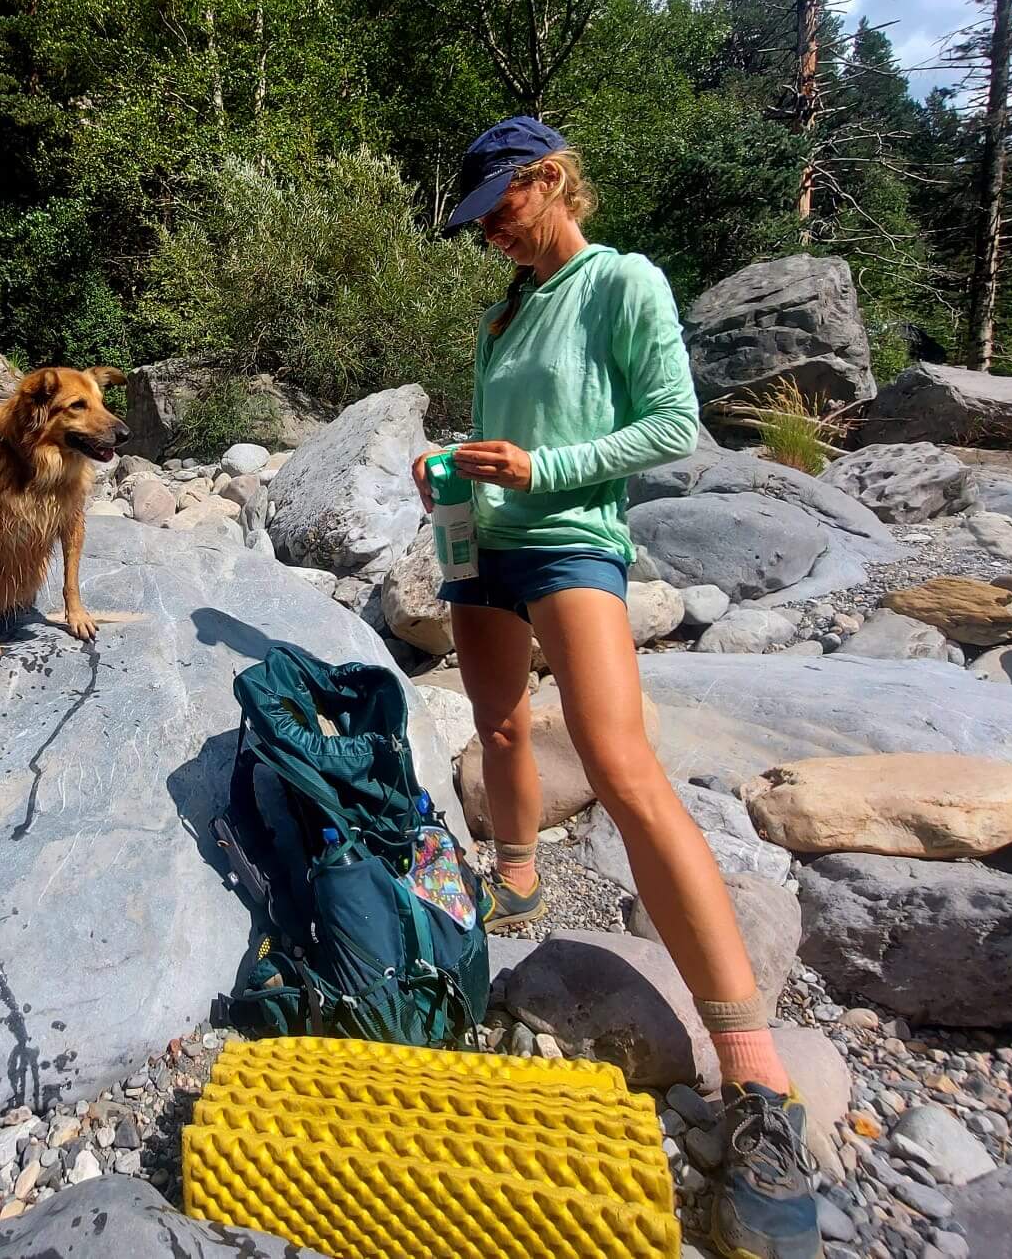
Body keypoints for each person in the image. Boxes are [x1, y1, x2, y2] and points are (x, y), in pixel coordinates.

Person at [412, 116, 821, 1259]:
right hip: (480, 545)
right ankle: (518, 880)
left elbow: (671, 425)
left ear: (548, 179)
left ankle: (755, 1080)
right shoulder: (506, 307)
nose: (488, 230)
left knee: (622, 768)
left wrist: (543, 468)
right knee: (497, 724)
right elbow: (510, 432)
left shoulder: (619, 279)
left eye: (500, 205)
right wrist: (449, 466)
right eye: (478, 218)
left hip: (569, 542)